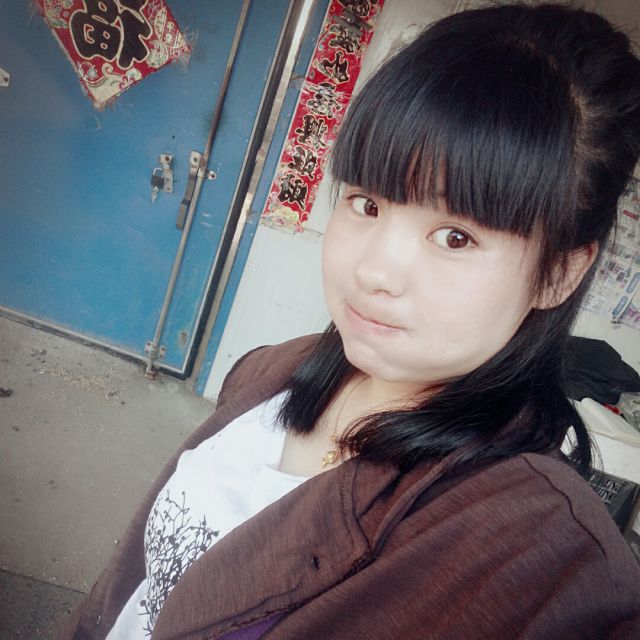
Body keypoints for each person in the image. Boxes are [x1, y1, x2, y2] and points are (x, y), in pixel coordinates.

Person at [61, 3, 640, 639]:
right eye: (366, 203)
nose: (374, 271)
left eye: (455, 237)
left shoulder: (545, 562)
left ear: (559, 272)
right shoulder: (273, 369)